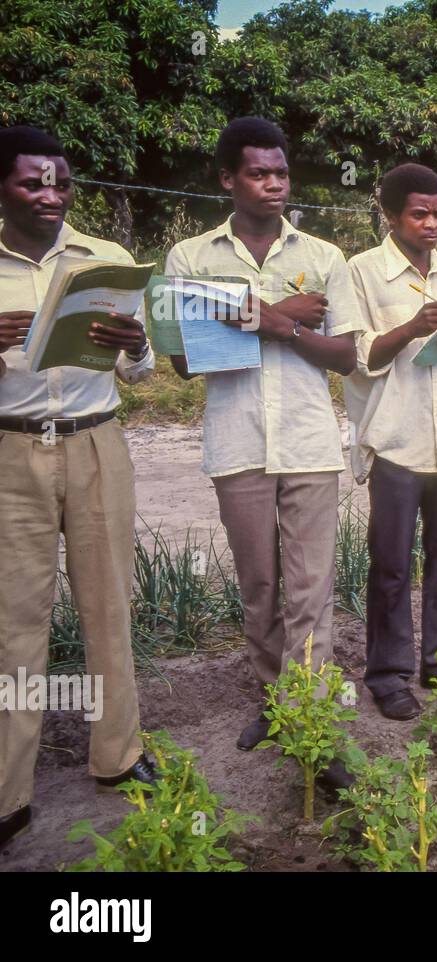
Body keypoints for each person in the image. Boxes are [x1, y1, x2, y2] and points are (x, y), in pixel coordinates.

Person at [164, 118, 361, 797]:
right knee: (261, 591)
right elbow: (185, 357)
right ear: (227, 179)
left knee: (311, 592)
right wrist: (279, 316)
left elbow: (346, 353)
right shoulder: (190, 259)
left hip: (309, 443)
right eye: (258, 173)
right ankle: (278, 703)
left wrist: (270, 325)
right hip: (239, 444)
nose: (274, 183)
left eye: (281, 172)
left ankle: (313, 726)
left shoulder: (327, 256)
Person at [0, 126, 157, 851]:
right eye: (34, 182)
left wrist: (135, 346)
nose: (50, 195)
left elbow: (142, 371)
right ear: (4, 187)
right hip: (12, 451)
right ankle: (10, 791)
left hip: (98, 442)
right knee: (14, 626)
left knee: (108, 606)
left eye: (60, 182)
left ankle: (117, 756)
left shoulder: (109, 259)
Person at [344, 163, 437, 720]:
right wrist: (410, 327)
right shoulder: (363, 272)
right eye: (419, 214)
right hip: (395, 437)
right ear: (390, 214)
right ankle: (387, 674)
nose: (432, 224)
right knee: (391, 562)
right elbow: (358, 358)